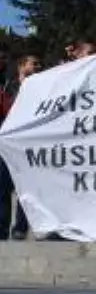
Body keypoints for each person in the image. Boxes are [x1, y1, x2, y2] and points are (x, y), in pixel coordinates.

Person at [0, 52, 42, 241]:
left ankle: (20, 229)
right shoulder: (9, 87)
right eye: (34, 64)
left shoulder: (43, 86)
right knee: (3, 189)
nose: (38, 67)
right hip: (7, 145)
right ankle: (1, 230)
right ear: (22, 66)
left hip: (29, 146)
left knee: (27, 188)